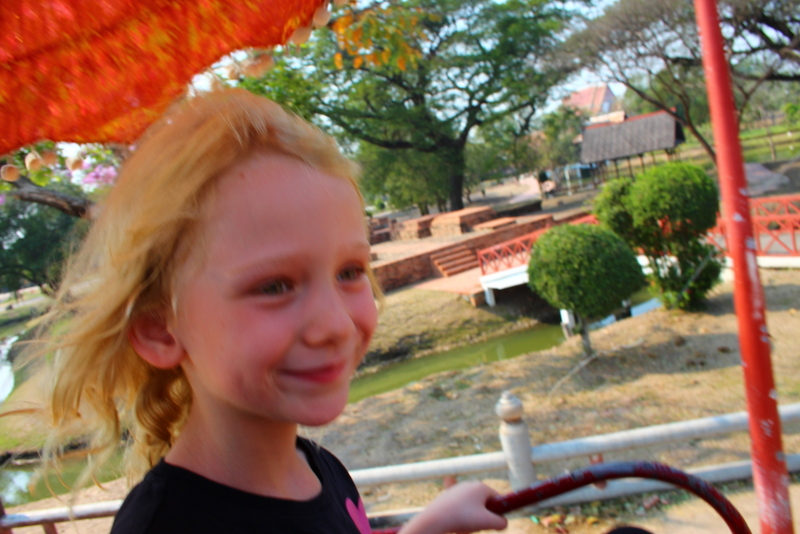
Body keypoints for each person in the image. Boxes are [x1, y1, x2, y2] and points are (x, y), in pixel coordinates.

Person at [36, 89, 508, 534]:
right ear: (160, 328)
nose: (336, 325)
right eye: (274, 286)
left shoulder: (320, 469)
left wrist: (426, 526)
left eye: (350, 272)